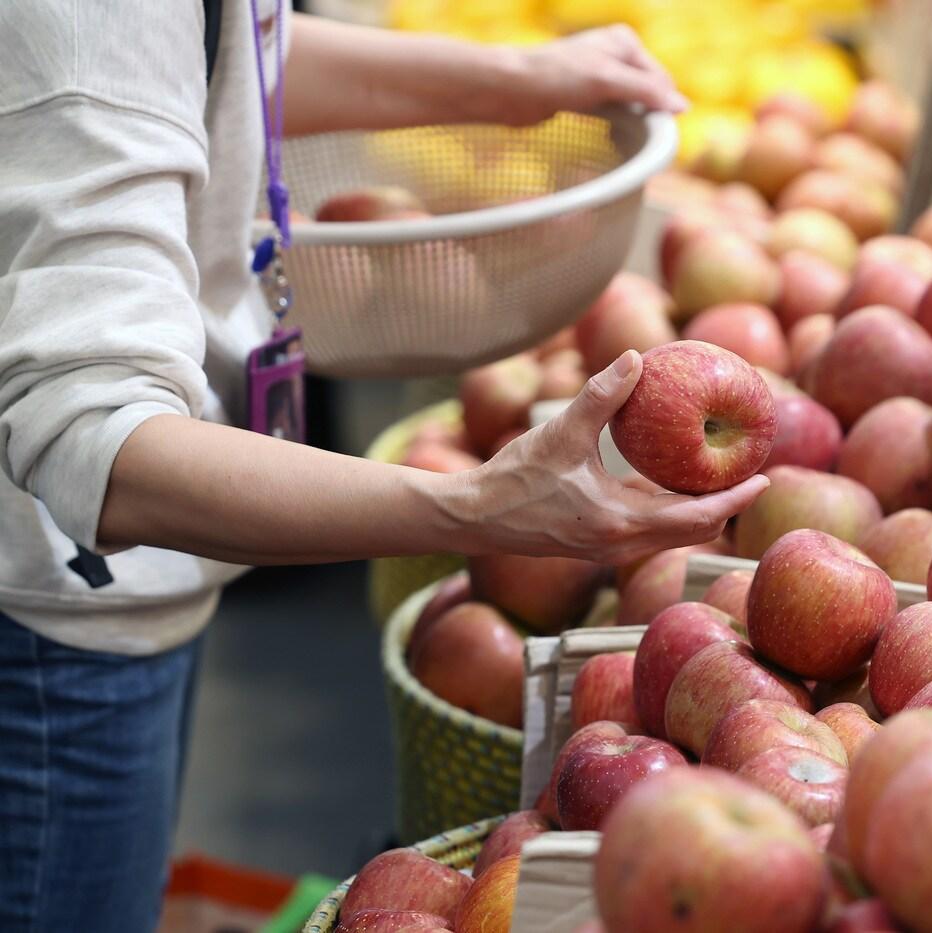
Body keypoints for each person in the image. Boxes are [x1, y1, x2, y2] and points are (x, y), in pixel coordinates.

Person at [0, 5, 766, 931]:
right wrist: (474, 506)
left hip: (114, 588)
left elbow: (226, 65)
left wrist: (515, 83)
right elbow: (97, 445)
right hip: (51, 618)